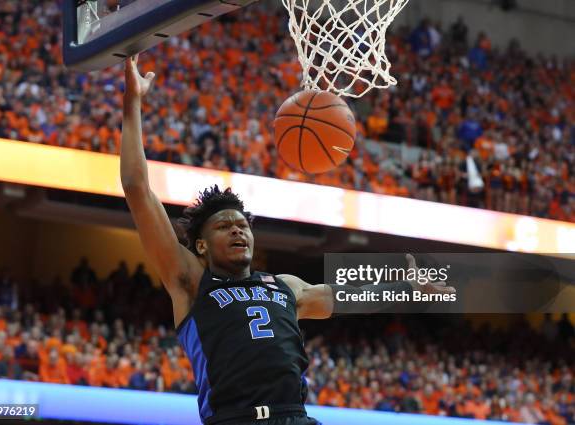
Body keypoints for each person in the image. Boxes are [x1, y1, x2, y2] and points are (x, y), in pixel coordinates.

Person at [120, 55, 455, 425]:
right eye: (224, 226)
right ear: (200, 246)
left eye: (242, 226)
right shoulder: (191, 282)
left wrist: (404, 286)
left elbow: (340, 297)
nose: (237, 230)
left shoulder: (284, 287)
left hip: (295, 417)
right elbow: (137, 189)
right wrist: (133, 102)